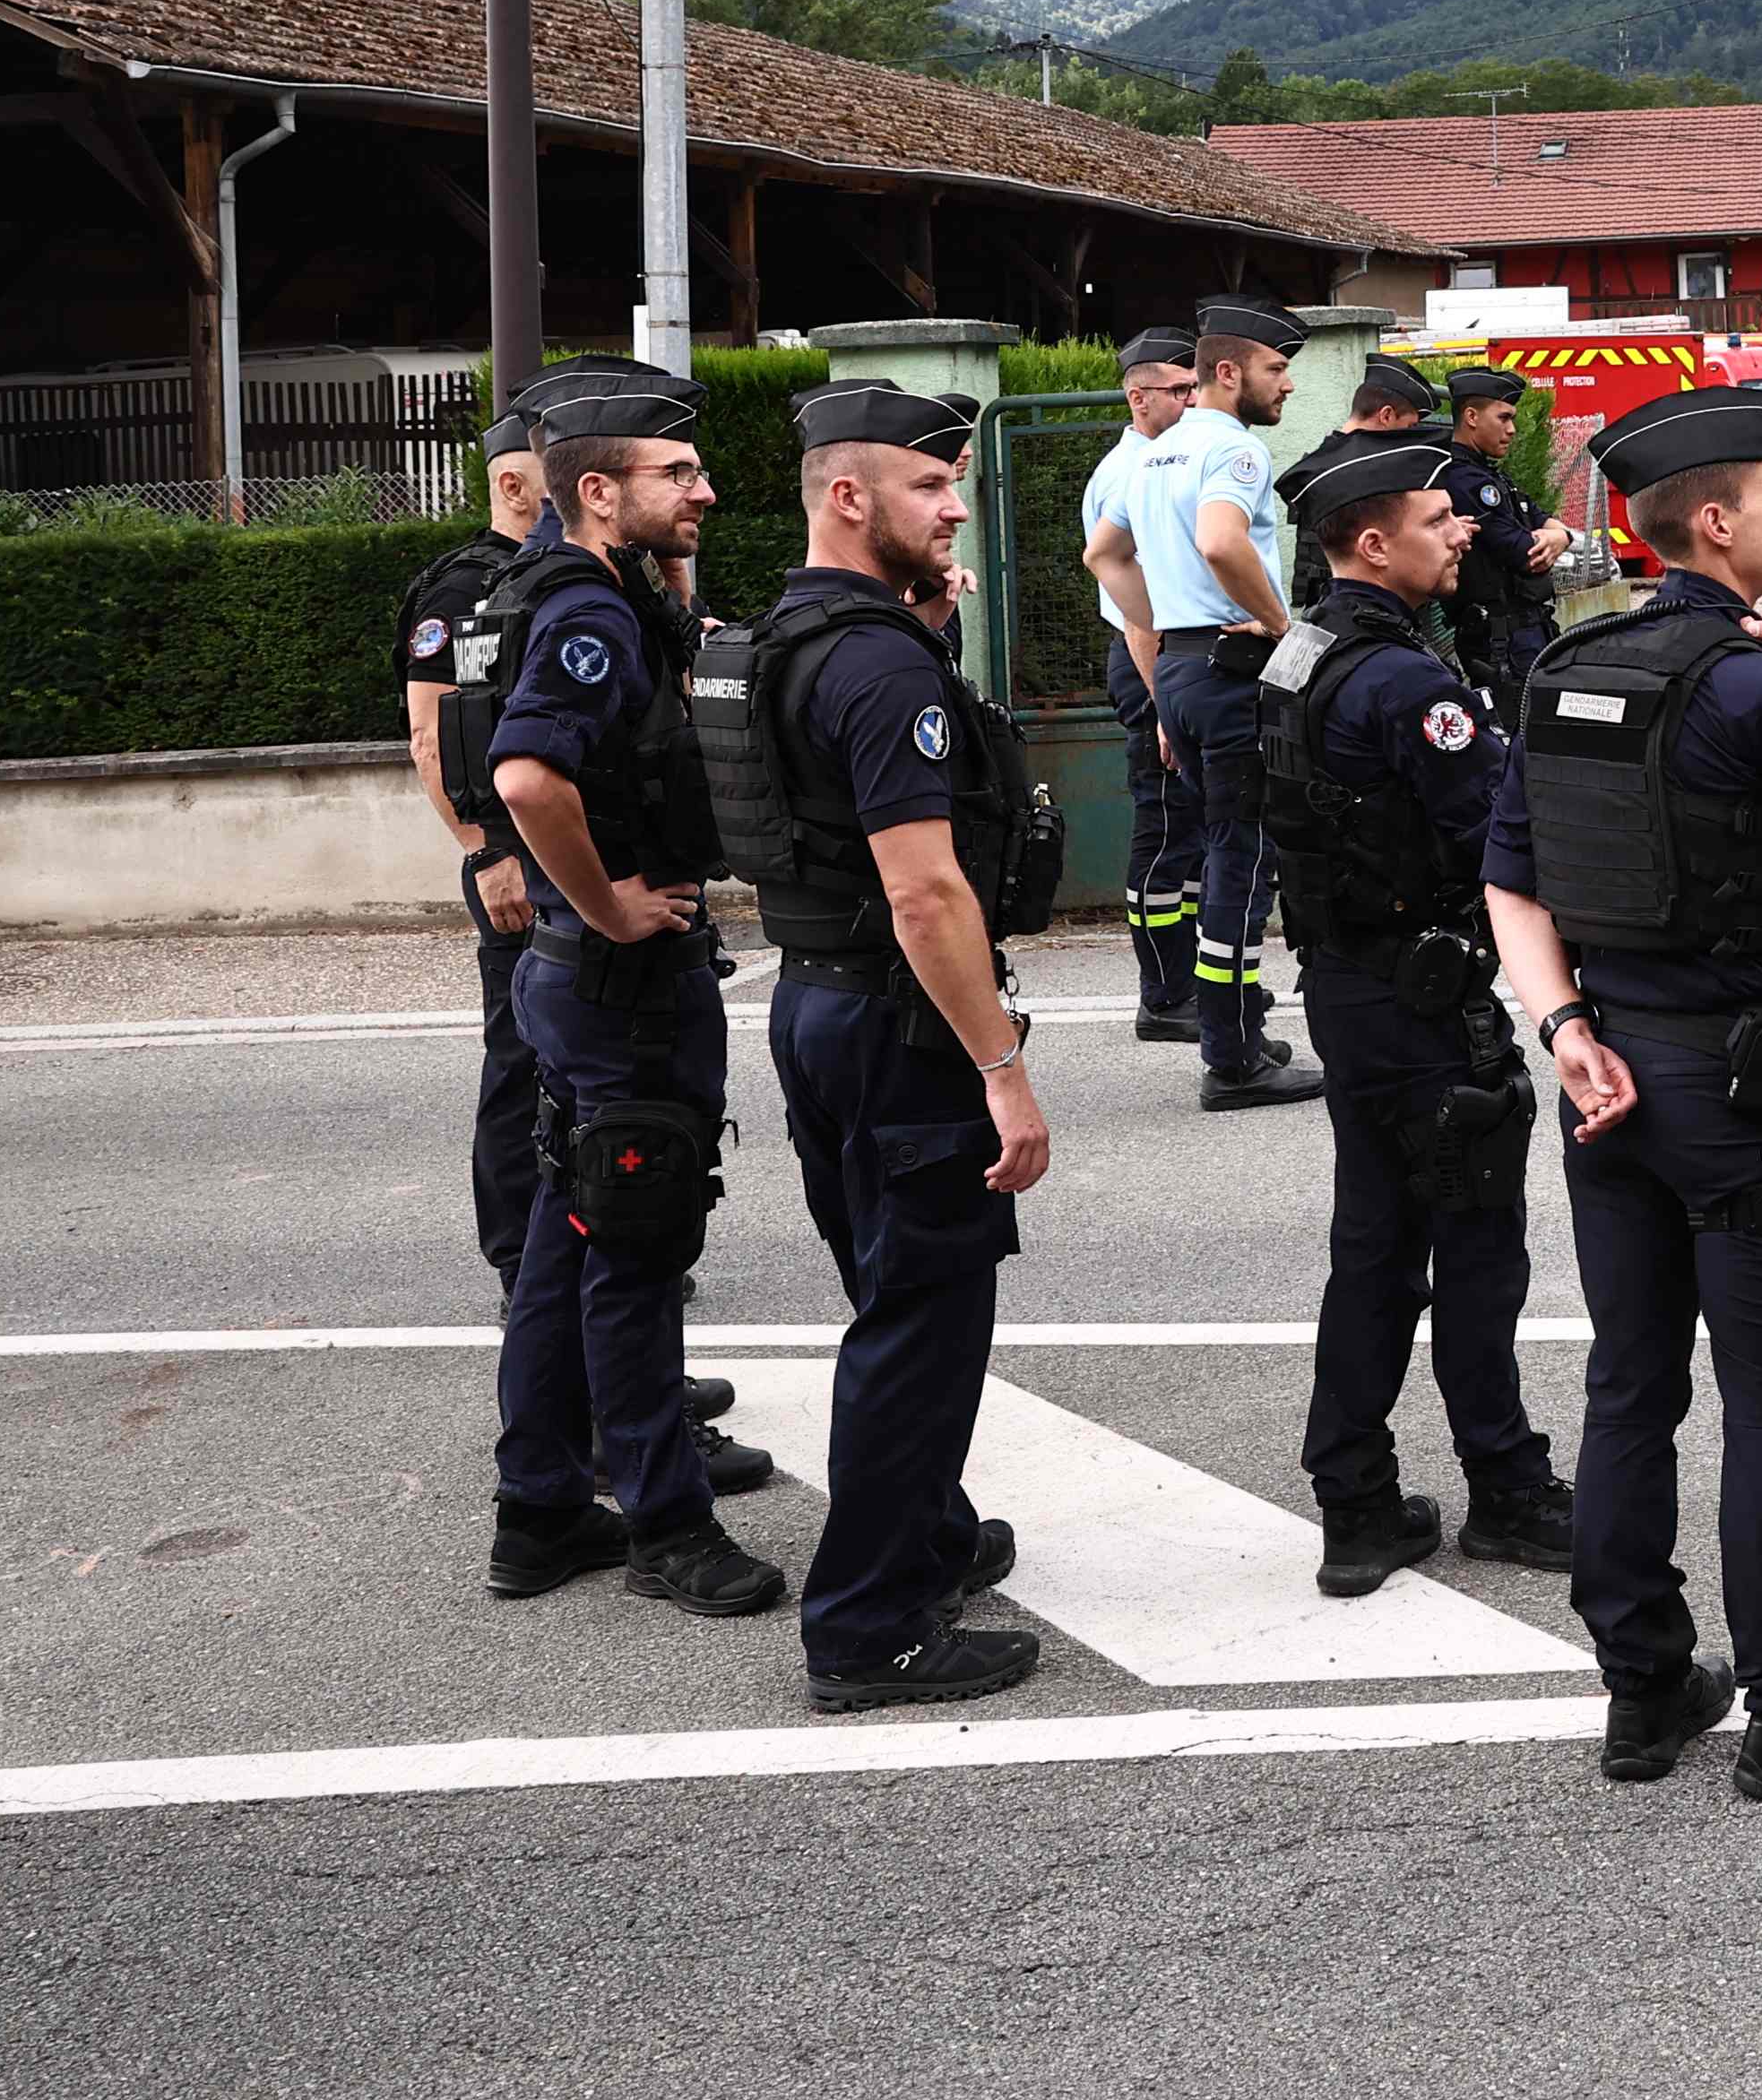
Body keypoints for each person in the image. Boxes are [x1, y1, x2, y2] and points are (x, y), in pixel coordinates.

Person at [1481, 385, 1762, 1800]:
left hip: (1606, 1077)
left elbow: (1511, 879)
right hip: (1737, 1090)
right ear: (1719, 523)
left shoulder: (1570, 669)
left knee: (1629, 1385)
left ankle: (1644, 1692)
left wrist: (1564, 1029)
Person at [691, 380, 1057, 1714]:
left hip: (818, 1002)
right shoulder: (879, 662)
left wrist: (930, 637)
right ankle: (869, 1630)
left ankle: (929, 1540)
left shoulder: (781, 635)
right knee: (922, 1324)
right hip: (902, 1023)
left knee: (889, 1287)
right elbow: (927, 891)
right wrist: (1003, 1069)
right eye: (930, 485)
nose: (956, 507)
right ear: (850, 496)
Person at [461, 367, 784, 1621]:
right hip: (621, 979)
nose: (704, 490)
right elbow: (527, 776)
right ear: (597, 490)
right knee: (638, 1255)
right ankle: (666, 1524)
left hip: (576, 979)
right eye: (677, 473)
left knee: (563, 1241)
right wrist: (608, 906)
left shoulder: (582, 587)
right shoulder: (587, 611)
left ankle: (540, 1510)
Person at [1257, 434, 1576, 1594]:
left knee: (1376, 1248)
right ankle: (1508, 1487)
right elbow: (1492, 833)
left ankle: (1356, 1502)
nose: (1461, 533)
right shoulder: (1406, 683)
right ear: (1374, 542)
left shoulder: (1301, 651)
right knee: (1477, 1248)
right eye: (1437, 520)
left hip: (1348, 986)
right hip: (1422, 994)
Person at [1127, 298, 1319, 1105]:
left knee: (1219, 854)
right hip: (1231, 672)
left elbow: (1106, 555)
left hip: (1180, 664)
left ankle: (1233, 1028)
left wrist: (1170, 645)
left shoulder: (1155, 452)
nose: (1287, 386)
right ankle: (1233, 1057)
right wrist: (1281, 626)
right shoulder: (1234, 449)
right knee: (1244, 861)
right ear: (1231, 372)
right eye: (1277, 369)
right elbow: (1220, 541)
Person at [400, 411, 551, 1288]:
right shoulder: (462, 590)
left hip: (588, 851)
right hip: (515, 856)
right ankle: (520, 1259)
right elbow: (431, 736)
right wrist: (484, 850)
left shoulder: (579, 572)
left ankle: (604, 1236)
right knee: (523, 1056)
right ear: (512, 483)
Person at [1082, 328, 1207, 1041]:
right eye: (1179, 389)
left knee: (1188, 836)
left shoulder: (1167, 462)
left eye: (1195, 387)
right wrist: (1167, 706)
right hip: (1152, 661)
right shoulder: (1128, 475)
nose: (1192, 400)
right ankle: (1164, 997)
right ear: (1139, 397)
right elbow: (1137, 608)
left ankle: (1188, 984)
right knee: (1163, 833)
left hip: (1174, 664)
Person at [1438, 366, 1575, 695]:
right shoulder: (1463, 479)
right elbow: (1527, 554)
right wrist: (1552, 539)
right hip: (1500, 639)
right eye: (1503, 418)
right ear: (1471, 417)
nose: (1512, 430)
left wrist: (1562, 536)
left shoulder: (1490, 475)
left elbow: (1543, 518)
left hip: (1523, 630)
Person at [1281, 351, 1448, 610]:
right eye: (1409, 427)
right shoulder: (1355, 471)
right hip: (1351, 608)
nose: (1408, 439)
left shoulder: (1323, 463)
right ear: (1386, 416)